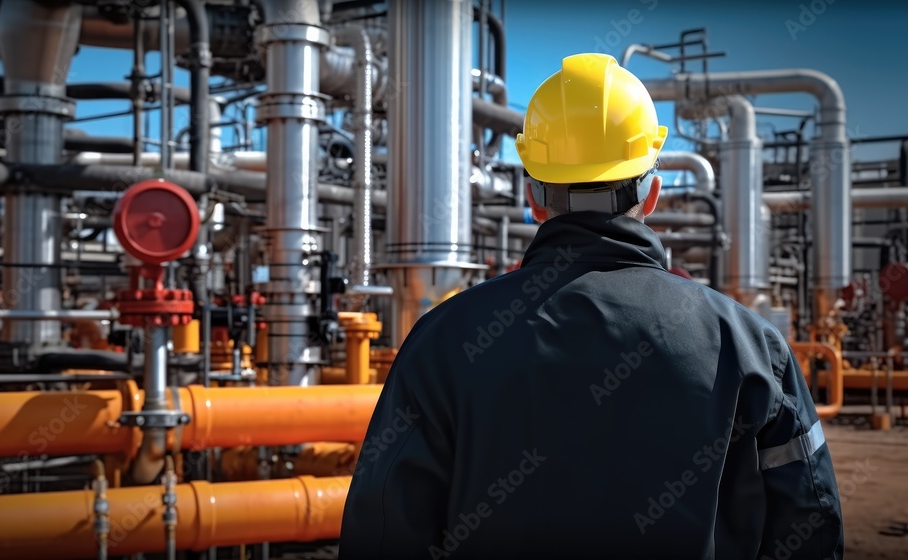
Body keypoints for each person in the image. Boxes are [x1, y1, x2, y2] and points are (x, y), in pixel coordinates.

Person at [339, 53, 843, 559]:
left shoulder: (443, 340)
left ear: (534, 198)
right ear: (652, 195)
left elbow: (383, 528)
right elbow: (810, 523)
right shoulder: (749, 346)